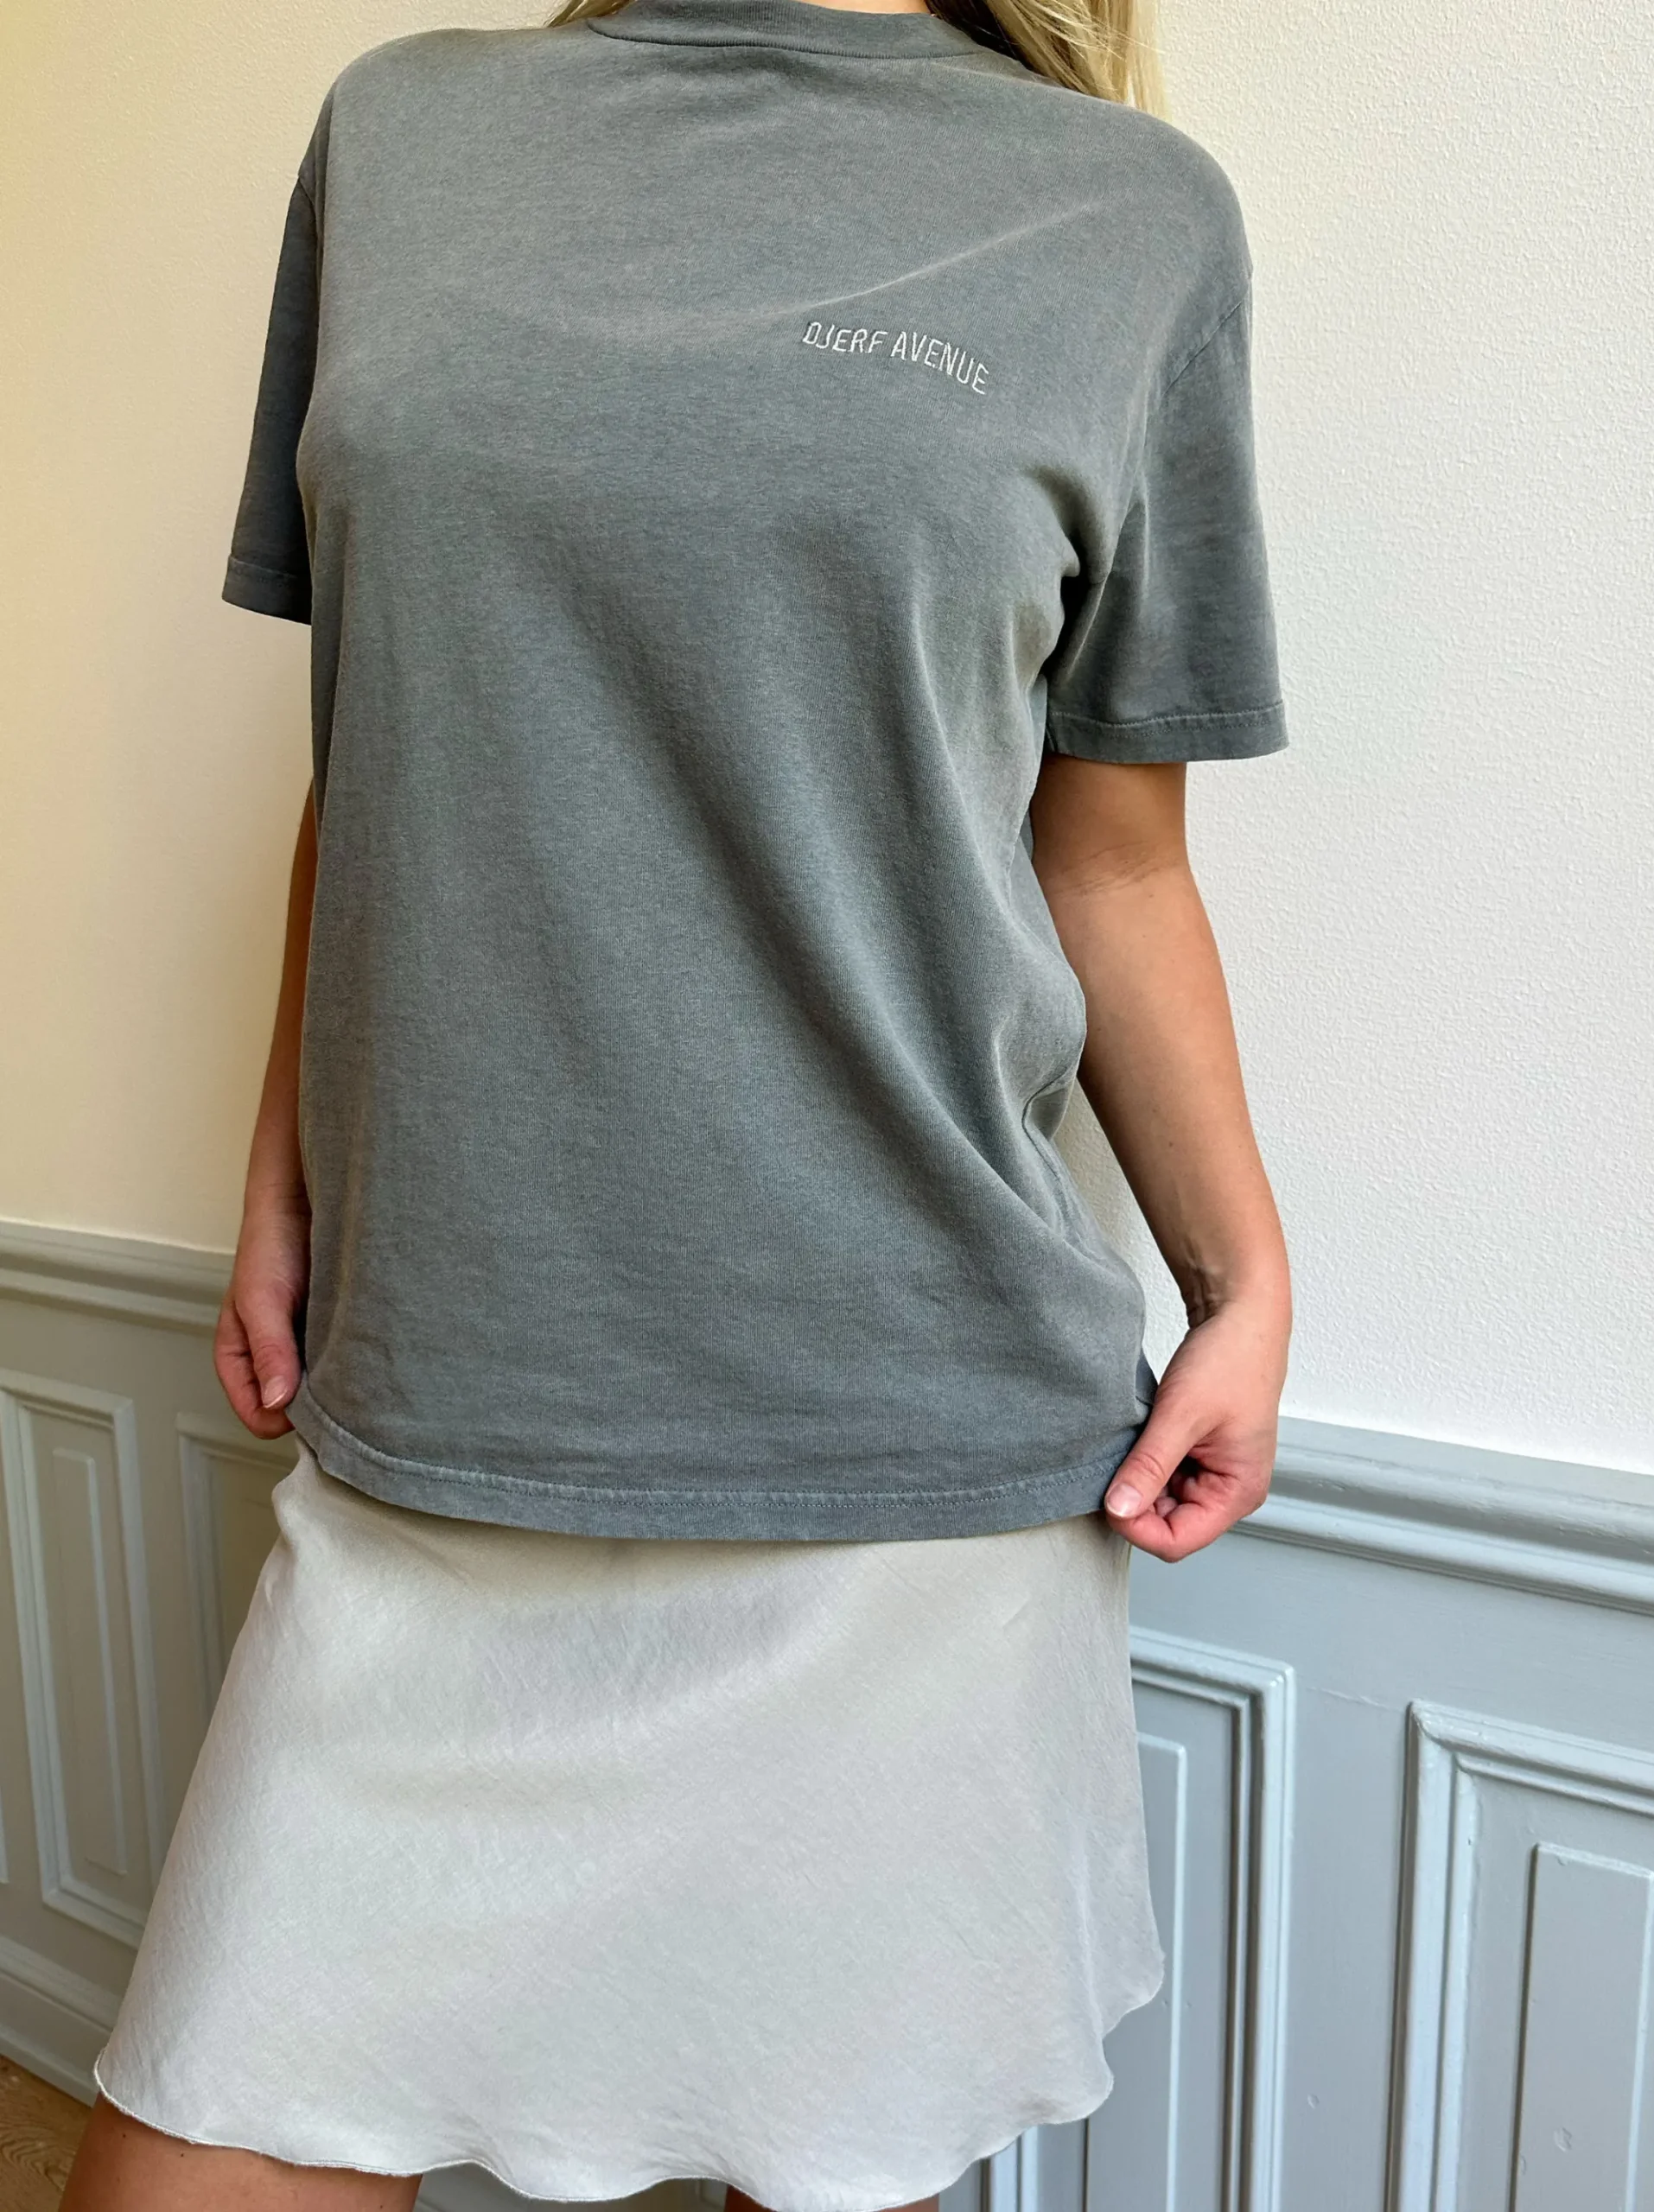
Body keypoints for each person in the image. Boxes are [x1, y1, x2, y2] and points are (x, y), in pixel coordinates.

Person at [62, 0, 1292, 2204]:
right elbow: (379, 746)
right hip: (456, 1391)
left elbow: (1110, 857)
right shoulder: (406, 140)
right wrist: (286, 1176)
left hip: (907, 1450)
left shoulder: (1127, 216)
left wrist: (1247, 1274)